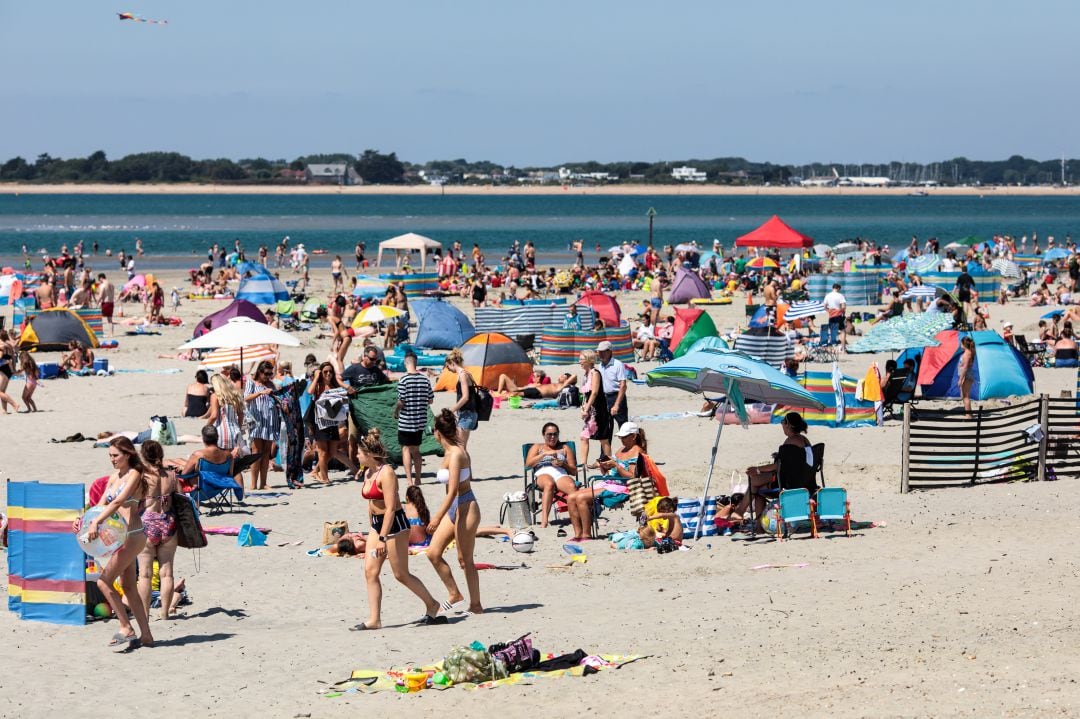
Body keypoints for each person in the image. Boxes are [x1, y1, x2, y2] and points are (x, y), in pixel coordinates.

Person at [352, 428, 444, 630]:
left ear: (368, 454)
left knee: (401, 574)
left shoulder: (387, 473)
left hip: (395, 525)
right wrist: (373, 532)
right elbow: (371, 504)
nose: (356, 455)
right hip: (377, 526)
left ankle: (432, 604)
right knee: (370, 572)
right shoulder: (368, 471)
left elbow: (391, 508)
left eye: (359, 452)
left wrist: (383, 538)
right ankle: (374, 620)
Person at [74, 437, 154, 650]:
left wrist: (97, 522)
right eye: (109, 456)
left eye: (116, 455)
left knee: (103, 581)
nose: (112, 459)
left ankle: (126, 627)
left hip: (133, 535)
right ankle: (146, 636)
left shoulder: (135, 474)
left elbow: (118, 501)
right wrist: (83, 522)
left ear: (127, 455)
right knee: (128, 587)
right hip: (118, 538)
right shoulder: (113, 477)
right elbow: (98, 506)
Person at [425, 409, 482, 615]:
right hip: (454, 507)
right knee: (433, 553)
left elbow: (454, 490)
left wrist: (436, 517)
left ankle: (476, 605)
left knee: (465, 560)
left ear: (438, 432)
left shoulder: (457, 454)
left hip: (465, 505)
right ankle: (455, 594)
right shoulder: (449, 452)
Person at [566, 422, 646, 541]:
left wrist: (615, 465)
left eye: (624, 437)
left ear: (634, 436)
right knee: (571, 497)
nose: (621, 439)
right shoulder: (622, 450)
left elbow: (631, 476)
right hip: (610, 482)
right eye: (620, 437)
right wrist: (604, 466)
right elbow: (609, 472)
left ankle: (586, 535)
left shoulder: (637, 451)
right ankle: (578, 534)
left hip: (623, 486)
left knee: (581, 498)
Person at [731, 412, 813, 520]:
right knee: (757, 488)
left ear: (789, 425)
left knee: (755, 482)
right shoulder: (803, 440)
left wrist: (757, 469)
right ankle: (754, 522)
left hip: (790, 482)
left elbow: (778, 466)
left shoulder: (791, 441)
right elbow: (794, 461)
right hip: (804, 479)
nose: (782, 425)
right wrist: (780, 455)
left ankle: (741, 512)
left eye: (782, 422)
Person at [136, 441, 179, 621]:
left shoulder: (142, 477)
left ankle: (145, 615)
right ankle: (164, 613)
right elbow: (182, 499)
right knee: (167, 573)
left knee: (145, 574)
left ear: (143, 456)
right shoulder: (171, 475)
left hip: (147, 524)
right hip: (168, 523)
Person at [525, 422, 578, 529]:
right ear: (543, 435)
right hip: (543, 472)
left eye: (555, 434)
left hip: (560, 473)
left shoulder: (565, 448)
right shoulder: (537, 447)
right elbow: (528, 464)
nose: (552, 437)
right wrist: (544, 454)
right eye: (549, 434)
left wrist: (563, 464)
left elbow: (574, 471)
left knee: (572, 487)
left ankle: (577, 517)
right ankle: (544, 521)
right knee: (549, 484)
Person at [395, 353, 433, 487]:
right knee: (416, 451)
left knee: (405, 449)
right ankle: (418, 479)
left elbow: (401, 401)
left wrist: (396, 411)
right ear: (416, 363)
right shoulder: (425, 380)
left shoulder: (403, 380)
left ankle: (409, 480)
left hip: (406, 420)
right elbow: (430, 400)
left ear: (406, 363)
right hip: (420, 421)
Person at [244, 360, 281, 491]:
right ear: (259, 372)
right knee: (256, 452)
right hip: (257, 421)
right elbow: (246, 398)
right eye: (266, 374)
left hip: (270, 421)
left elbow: (278, 400)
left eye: (270, 374)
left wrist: (277, 394)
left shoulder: (271, 384)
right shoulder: (251, 383)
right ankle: (253, 483)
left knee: (266, 453)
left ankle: (263, 483)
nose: (268, 376)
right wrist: (260, 393)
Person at [307, 362, 346, 484]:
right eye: (325, 372)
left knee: (332, 452)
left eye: (330, 371)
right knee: (323, 452)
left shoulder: (334, 385)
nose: (328, 374)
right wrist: (317, 376)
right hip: (320, 423)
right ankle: (325, 477)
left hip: (333, 422)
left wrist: (338, 381)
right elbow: (309, 391)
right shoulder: (318, 386)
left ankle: (317, 472)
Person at [578, 350, 612, 466]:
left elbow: (594, 392)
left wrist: (587, 408)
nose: (579, 362)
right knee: (584, 436)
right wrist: (583, 407)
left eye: (581, 359)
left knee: (603, 439)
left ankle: (608, 463)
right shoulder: (585, 375)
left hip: (598, 410)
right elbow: (586, 395)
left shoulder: (595, 373)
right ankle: (583, 464)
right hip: (590, 411)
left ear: (588, 360)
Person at [444, 349, 478, 448]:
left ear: (452, 363)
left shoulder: (463, 375)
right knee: (462, 447)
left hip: (467, 414)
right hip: (468, 413)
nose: (448, 369)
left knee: (460, 447)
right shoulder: (466, 373)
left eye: (447, 366)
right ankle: (466, 464)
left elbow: (465, 397)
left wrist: (451, 410)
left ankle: (465, 464)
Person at [205, 373, 245, 454]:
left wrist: (206, 427)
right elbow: (241, 414)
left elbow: (214, 416)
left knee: (220, 460)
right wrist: (239, 428)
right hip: (235, 431)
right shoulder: (234, 395)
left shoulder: (215, 396)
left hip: (221, 432)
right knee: (231, 459)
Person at [597, 340, 629, 433]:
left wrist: (617, 404)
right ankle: (606, 448)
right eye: (599, 351)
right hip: (604, 397)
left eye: (603, 351)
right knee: (606, 427)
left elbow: (623, 386)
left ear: (610, 351)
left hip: (616, 396)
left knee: (623, 426)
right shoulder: (600, 365)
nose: (601, 354)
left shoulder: (618, 364)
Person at [496, 371, 576, 399]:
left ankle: (496, 397)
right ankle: (497, 396)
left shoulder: (563, 386)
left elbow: (574, 376)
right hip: (537, 390)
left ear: (567, 380)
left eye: (563, 376)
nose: (560, 376)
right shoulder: (556, 384)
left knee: (515, 394)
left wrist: (567, 381)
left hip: (539, 393)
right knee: (513, 393)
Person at [0, 329, 19, 413]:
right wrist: (14, 369)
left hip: (3, 369)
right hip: (9, 370)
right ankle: (4, 410)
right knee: (2, 391)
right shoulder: (10, 346)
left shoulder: (1, 345)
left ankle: (14, 404)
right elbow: (14, 358)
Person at [823, 283, 846, 348]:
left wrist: (829, 311)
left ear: (832, 288)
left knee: (832, 330)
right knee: (842, 331)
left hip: (831, 315)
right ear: (838, 288)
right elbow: (843, 306)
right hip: (838, 314)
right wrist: (843, 313)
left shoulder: (827, 295)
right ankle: (843, 347)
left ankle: (832, 346)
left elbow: (824, 306)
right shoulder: (840, 295)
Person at [958, 336, 976, 418]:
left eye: (961, 344)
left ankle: (968, 414)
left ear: (964, 344)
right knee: (964, 395)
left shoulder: (967, 354)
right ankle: (968, 412)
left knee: (965, 396)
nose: (960, 345)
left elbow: (965, 368)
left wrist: (961, 379)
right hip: (967, 375)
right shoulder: (969, 352)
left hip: (966, 376)